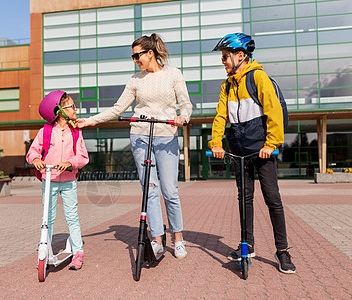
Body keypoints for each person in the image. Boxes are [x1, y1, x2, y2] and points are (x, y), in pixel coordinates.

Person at [77, 33, 192, 259]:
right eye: (133, 56)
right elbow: (117, 109)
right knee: (149, 190)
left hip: (167, 136)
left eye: (137, 55)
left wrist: (183, 117)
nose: (135, 59)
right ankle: (157, 238)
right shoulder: (135, 80)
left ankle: (178, 237)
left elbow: (186, 104)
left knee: (169, 191)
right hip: (140, 136)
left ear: (150, 53)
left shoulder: (173, 75)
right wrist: (89, 121)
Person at [208, 33, 296, 274]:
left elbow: (274, 113)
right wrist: (217, 143)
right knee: (244, 198)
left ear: (241, 56)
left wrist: (271, 144)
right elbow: (220, 117)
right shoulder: (227, 85)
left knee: (272, 199)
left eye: (225, 56)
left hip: (263, 150)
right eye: (223, 57)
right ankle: (248, 245)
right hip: (238, 150)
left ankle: (282, 251)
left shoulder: (258, 78)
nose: (223, 61)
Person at [26, 91, 89, 270]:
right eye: (72, 106)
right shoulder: (45, 131)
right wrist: (36, 160)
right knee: (48, 218)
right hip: (49, 180)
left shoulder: (76, 132)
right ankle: (45, 249)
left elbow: (83, 157)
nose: (76, 109)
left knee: (72, 217)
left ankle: (78, 252)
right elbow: (32, 152)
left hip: (68, 181)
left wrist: (70, 163)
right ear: (60, 110)